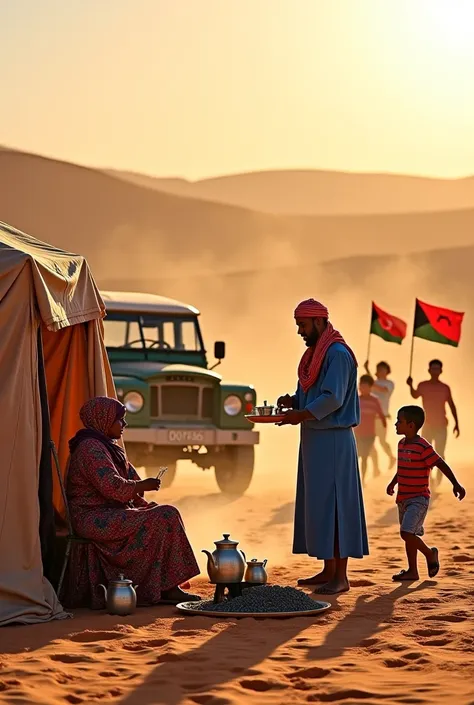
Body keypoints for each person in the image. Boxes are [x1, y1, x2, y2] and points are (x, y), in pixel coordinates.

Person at [65, 396, 201, 608]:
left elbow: (130, 482)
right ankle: (166, 588)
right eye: (120, 420)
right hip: (91, 517)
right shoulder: (89, 448)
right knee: (166, 514)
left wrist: (143, 502)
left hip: (112, 512)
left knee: (163, 513)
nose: (124, 425)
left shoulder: (109, 448)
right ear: (104, 420)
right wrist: (141, 487)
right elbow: (111, 485)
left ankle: (166, 586)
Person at [277, 298, 369, 595]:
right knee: (320, 505)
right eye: (298, 325)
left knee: (337, 505)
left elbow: (332, 399)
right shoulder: (313, 356)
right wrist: (293, 403)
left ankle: (341, 577)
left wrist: (300, 414)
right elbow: (309, 392)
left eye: (303, 325)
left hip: (333, 439)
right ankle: (328, 570)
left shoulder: (337, 354)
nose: (300, 331)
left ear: (319, 321)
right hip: (314, 438)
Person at [387, 405, 465, 582]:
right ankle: (412, 571)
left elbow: (440, 463)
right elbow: (402, 468)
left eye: (400, 421)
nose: (396, 424)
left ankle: (430, 554)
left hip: (418, 499)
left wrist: (456, 484)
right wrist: (393, 483)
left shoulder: (423, 446)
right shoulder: (401, 444)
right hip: (403, 498)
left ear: (411, 425)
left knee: (406, 533)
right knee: (409, 536)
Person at [407, 359, 459, 463]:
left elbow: (452, 405)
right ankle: (428, 477)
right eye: (433, 369)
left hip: (441, 425)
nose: (435, 371)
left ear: (441, 371)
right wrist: (410, 385)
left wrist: (457, 423)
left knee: (439, 452)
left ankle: (439, 476)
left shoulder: (445, 388)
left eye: (437, 369)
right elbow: (415, 395)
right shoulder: (423, 385)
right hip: (427, 424)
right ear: (429, 370)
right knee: (425, 453)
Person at [364, 360, 396, 469]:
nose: (381, 371)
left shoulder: (389, 383)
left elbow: (383, 390)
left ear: (387, 371)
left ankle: (391, 457)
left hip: (381, 417)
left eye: (383, 369)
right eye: (379, 369)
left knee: (382, 441)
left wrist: (368, 373)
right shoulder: (374, 382)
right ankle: (376, 468)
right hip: (370, 418)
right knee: (370, 443)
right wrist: (367, 371)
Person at [355, 374, 386, 481]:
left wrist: (384, 426)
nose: (363, 389)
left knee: (364, 457)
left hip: (369, 435)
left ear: (370, 387)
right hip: (356, 433)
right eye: (361, 386)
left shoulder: (375, 400)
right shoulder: (355, 400)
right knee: (355, 457)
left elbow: (381, 415)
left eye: (366, 387)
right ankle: (354, 478)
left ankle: (362, 479)